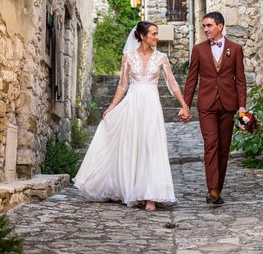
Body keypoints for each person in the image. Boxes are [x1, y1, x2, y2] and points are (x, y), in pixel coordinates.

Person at [74, 21, 191, 212]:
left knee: (151, 147)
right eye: (153, 34)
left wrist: (184, 105)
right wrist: (111, 107)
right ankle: (134, 191)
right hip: (132, 105)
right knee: (134, 146)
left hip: (151, 106)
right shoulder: (128, 57)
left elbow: (172, 83)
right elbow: (122, 85)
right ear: (142, 36)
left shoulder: (161, 57)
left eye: (157, 33)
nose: (156, 37)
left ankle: (151, 196)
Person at [181, 11, 247, 206]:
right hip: (206, 105)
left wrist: (242, 107)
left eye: (209, 25)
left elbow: (240, 81)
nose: (205, 29)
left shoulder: (235, 49)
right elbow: (191, 79)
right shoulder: (198, 49)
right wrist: (186, 105)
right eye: (204, 26)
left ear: (220, 26)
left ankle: (218, 186)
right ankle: (213, 191)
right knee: (211, 144)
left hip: (228, 104)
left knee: (224, 148)